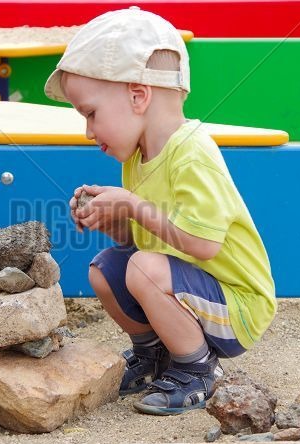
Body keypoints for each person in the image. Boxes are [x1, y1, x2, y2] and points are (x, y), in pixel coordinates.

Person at [44, 7, 276, 415]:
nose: (88, 131)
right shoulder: (136, 158)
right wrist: (117, 221)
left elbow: (202, 245)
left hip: (237, 306)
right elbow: (146, 244)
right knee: (106, 268)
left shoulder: (191, 153)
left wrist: (132, 203)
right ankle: (155, 356)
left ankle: (198, 370)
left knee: (141, 269)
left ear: (138, 95)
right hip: (188, 288)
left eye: (91, 114)